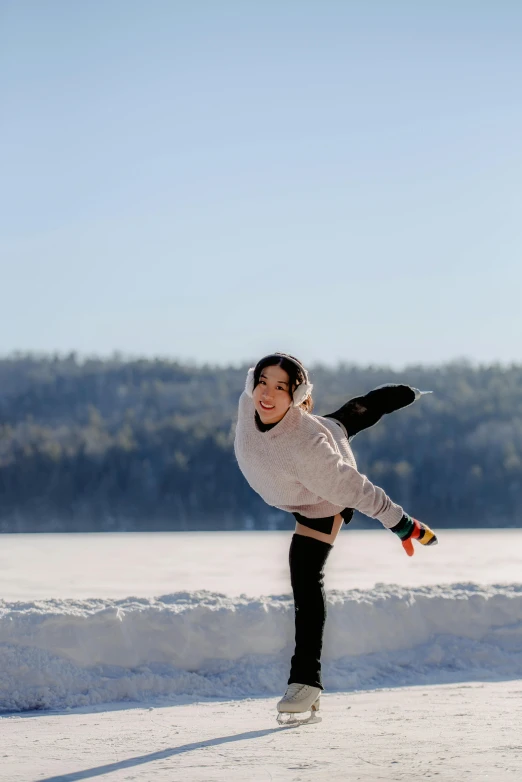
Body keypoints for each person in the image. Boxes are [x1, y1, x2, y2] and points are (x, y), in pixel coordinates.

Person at [234, 352, 437, 723]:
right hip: (296, 480)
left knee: (305, 577)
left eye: (280, 387)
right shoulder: (250, 402)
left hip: (321, 500)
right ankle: (402, 394)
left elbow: (356, 489)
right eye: (262, 381)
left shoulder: (311, 450)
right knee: (346, 417)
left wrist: (402, 523)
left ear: (295, 395)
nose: (266, 393)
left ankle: (306, 683)